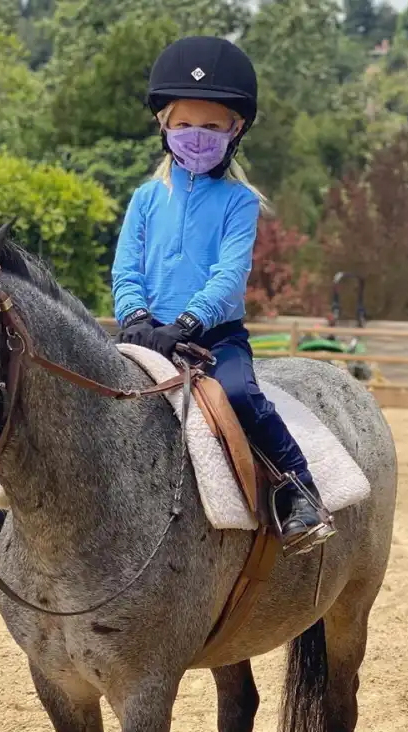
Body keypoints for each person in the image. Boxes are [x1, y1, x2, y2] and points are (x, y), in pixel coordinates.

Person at [113, 35, 334, 553]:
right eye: (186, 124)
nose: (197, 135)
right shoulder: (145, 199)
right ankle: (6, 499)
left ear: (235, 131)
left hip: (214, 337)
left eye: (212, 126)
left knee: (239, 394)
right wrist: (137, 314)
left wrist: (187, 324)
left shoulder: (240, 202)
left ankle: (299, 489)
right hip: (145, 332)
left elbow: (229, 274)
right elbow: (126, 269)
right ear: (164, 125)